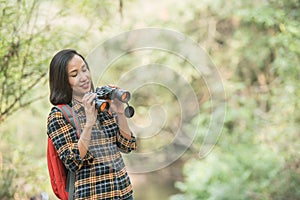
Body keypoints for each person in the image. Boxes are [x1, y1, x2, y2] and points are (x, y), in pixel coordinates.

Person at [47, 49, 137, 200]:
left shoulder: (102, 104)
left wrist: (120, 113)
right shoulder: (58, 116)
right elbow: (73, 160)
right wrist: (89, 124)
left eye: (84, 69)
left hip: (123, 192)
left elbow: (127, 145)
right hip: (93, 196)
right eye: (75, 74)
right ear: (63, 80)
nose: (84, 77)